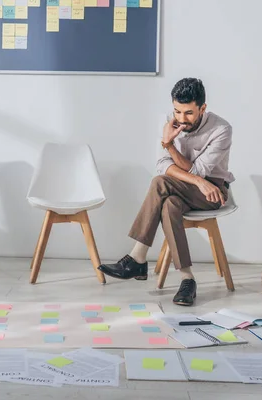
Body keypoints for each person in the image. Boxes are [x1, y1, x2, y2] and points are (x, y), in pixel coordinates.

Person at [98, 78, 235, 306]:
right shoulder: (167, 122)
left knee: (160, 183)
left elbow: (199, 171)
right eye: (177, 111)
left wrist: (170, 146)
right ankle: (187, 279)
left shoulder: (221, 129)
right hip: (183, 186)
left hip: (212, 192)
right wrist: (191, 174)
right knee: (169, 202)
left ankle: (137, 258)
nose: (181, 119)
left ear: (203, 108)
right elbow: (162, 165)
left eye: (189, 113)